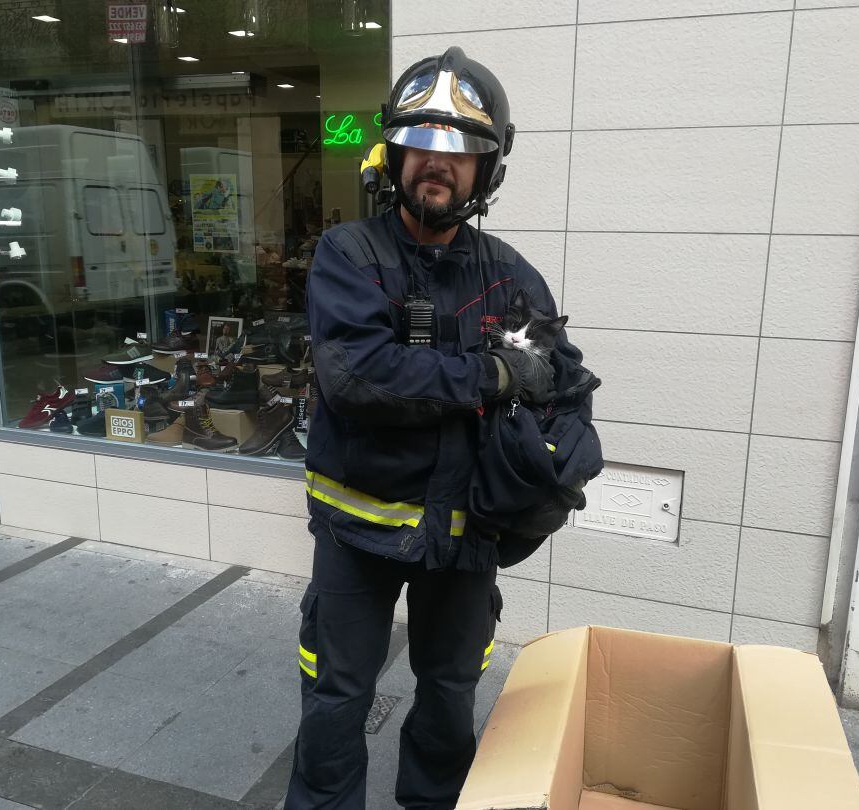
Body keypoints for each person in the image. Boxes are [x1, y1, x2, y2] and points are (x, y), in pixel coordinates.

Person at [285, 47, 593, 809]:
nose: (440, 164)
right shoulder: (349, 254)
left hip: (465, 539)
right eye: (424, 144)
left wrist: (552, 460)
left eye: (461, 152)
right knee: (336, 700)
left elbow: (561, 375)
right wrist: (491, 374)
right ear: (394, 156)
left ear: (487, 171)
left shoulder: (511, 274)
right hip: (357, 536)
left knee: (451, 699)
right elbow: (358, 378)